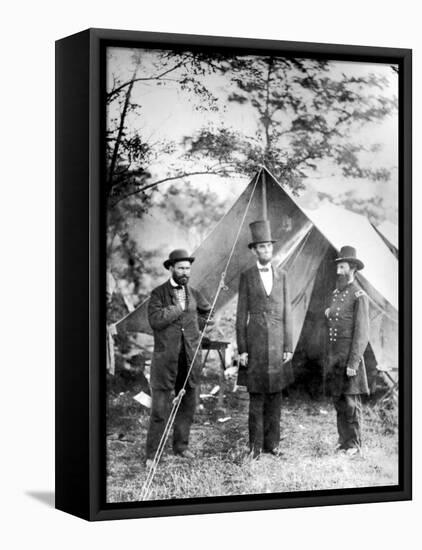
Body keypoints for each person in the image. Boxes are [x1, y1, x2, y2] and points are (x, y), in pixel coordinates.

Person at [145, 249, 212, 467]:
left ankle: (181, 446)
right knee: (160, 409)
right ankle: (153, 455)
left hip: (189, 358)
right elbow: (155, 320)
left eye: (188, 268)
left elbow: (204, 313)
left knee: (188, 405)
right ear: (171, 268)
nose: (185, 272)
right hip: (166, 361)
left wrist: (197, 327)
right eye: (181, 268)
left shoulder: (193, 292)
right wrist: (178, 308)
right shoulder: (158, 294)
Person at [236, 220, 293, 458]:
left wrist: (288, 346)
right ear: (254, 250)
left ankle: (273, 444)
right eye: (261, 247)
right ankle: (255, 447)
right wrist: (242, 349)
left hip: (278, 344)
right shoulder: (247, 276)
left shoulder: (283, 275)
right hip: (256, 344)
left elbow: (288, 312)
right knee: (257, 398)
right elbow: (240, 315)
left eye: (269, 246)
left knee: (276, 399)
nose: (266, 251)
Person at [325, 245, 370, 457]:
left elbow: (362, 333)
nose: (338, 271)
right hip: (335, 358)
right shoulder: (336, 294)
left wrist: (354, 363)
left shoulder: (359, 295)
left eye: (342, 267)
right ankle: (343, 441)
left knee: (351, 403)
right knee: (338, 400)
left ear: (352, 268)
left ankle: (354, 444)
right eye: (337, 267)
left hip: (349, 359)